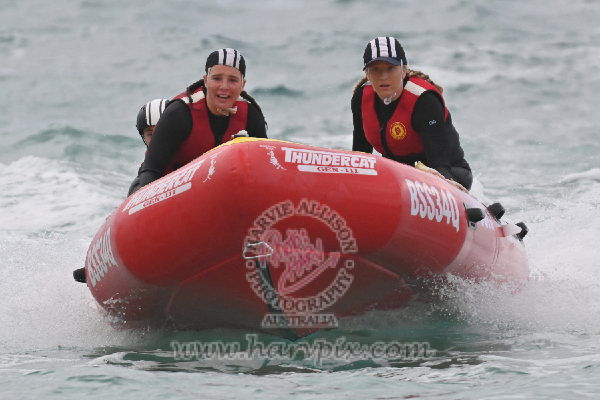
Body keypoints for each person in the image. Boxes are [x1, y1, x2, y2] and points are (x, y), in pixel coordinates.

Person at [132, 48, 268, 193]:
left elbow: (264, 168)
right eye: (217, 78)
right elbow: (151, 171)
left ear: (243, 85)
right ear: (206, 81)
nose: (224, 87)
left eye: (232, 80)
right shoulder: (179, 113)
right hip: (160, 188)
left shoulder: (251, 116)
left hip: (215, 191)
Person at [351, 36, 473, 191]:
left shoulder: (424, 100)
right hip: (397, 177)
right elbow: (361, 158)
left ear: (403, 71)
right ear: (367, 74)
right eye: (376, 69)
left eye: (390, 68)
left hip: (449, 173)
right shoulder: (361, 99)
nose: (383, 77)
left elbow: (440, 164)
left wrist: (442, 188)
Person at [127, 99, 170, 197]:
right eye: (151, 134)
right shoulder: (138, 184)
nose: (157, 139)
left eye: (164, 131)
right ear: (144, 138)